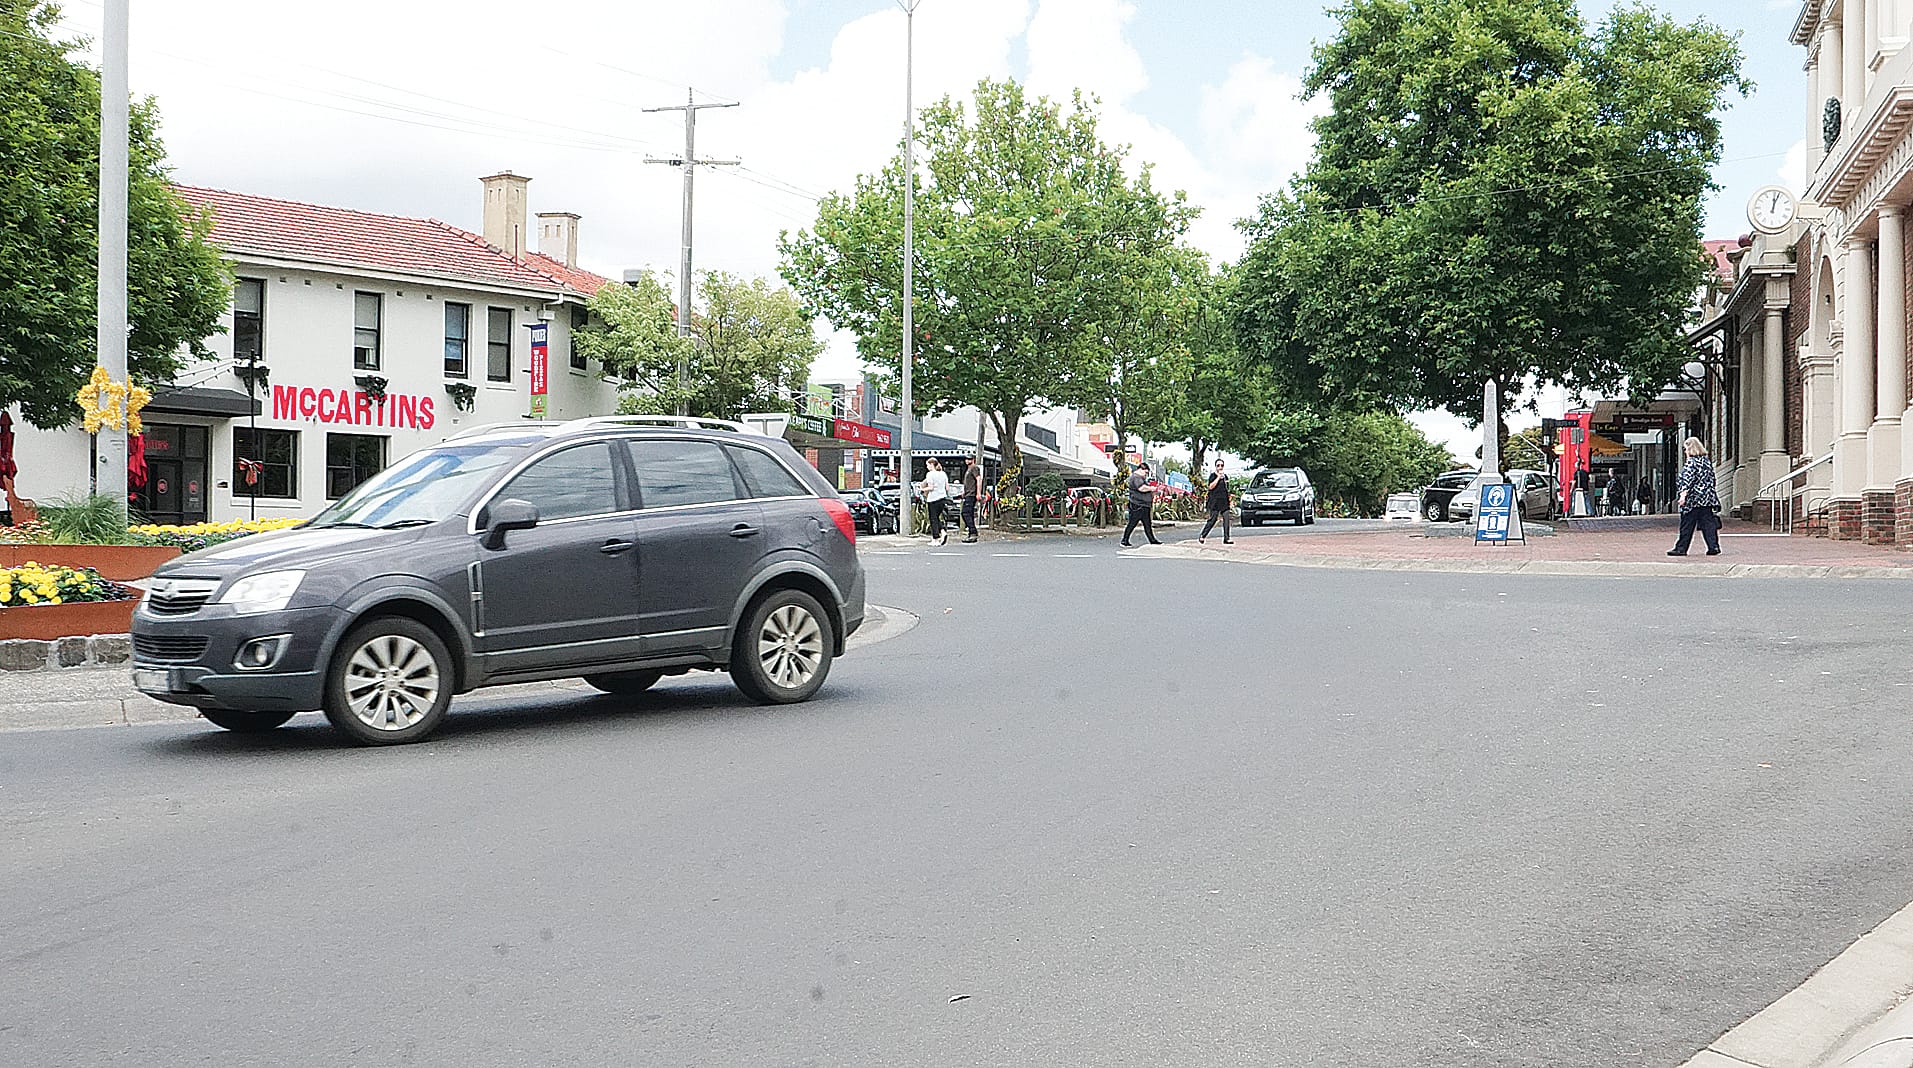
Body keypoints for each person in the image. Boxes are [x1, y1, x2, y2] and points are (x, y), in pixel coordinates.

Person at [1667, 436, 1721, 557]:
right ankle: (1713, 546)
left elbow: (1688, 480)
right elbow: (1712, 479)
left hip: (1693, 499)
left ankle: (1681, 548)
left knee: (1687, 524)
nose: (1685, 452)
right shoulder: (1706, 462)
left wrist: (1683, 496)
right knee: (1708, 524)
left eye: (1685, 449)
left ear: (1690, 449)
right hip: (1706, 499)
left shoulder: (1691, 463)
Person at [1121, 462, 1163, 547]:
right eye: (1146, 472)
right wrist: (1151, 488)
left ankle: (1152, 540)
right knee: (1132, 523)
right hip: (1138, 505)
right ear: (1141, 469)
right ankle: (1124, 540)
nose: (1146, 475)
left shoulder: (1139, 478)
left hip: (1143, 505)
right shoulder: (1136, 477)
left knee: (1147, 524)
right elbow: (1141, 488)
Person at [1198, 459, 1233, 544]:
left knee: (1226, 519)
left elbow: (1227, 488)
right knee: (1213, 519)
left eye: (1222, 465)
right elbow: (1210, 487)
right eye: (1218, 465)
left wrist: (1230, 499)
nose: (1220, 467)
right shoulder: (1213, 476)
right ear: (1216, 467)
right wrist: (1218, 477)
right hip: (1215, 501)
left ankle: (1226, 538)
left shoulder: (1225, 477)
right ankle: (1203, 535)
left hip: (1224, 501)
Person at [918, 458, 951, 547]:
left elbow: (931, 487)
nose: (927, 467)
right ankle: (942, 531)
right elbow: (947, 487)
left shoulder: (930, 474)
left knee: (933, 518)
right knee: (936, 517)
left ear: (932, 464)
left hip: (933, 499)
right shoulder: (943, 474)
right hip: (942, 498)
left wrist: (922, 489)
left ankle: (935, 538)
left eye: (928, 465)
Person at [959, 457, 982, 543]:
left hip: (971, 494)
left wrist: (978, 493)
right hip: (967, 493)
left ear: (973, 460)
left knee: (965, 513)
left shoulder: (974, 468)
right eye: (966, 459)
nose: (967, 461)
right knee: (969, 513)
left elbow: (979, 479)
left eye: (970, 459)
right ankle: (971, 533)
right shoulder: (968, 469)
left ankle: (973, 531)